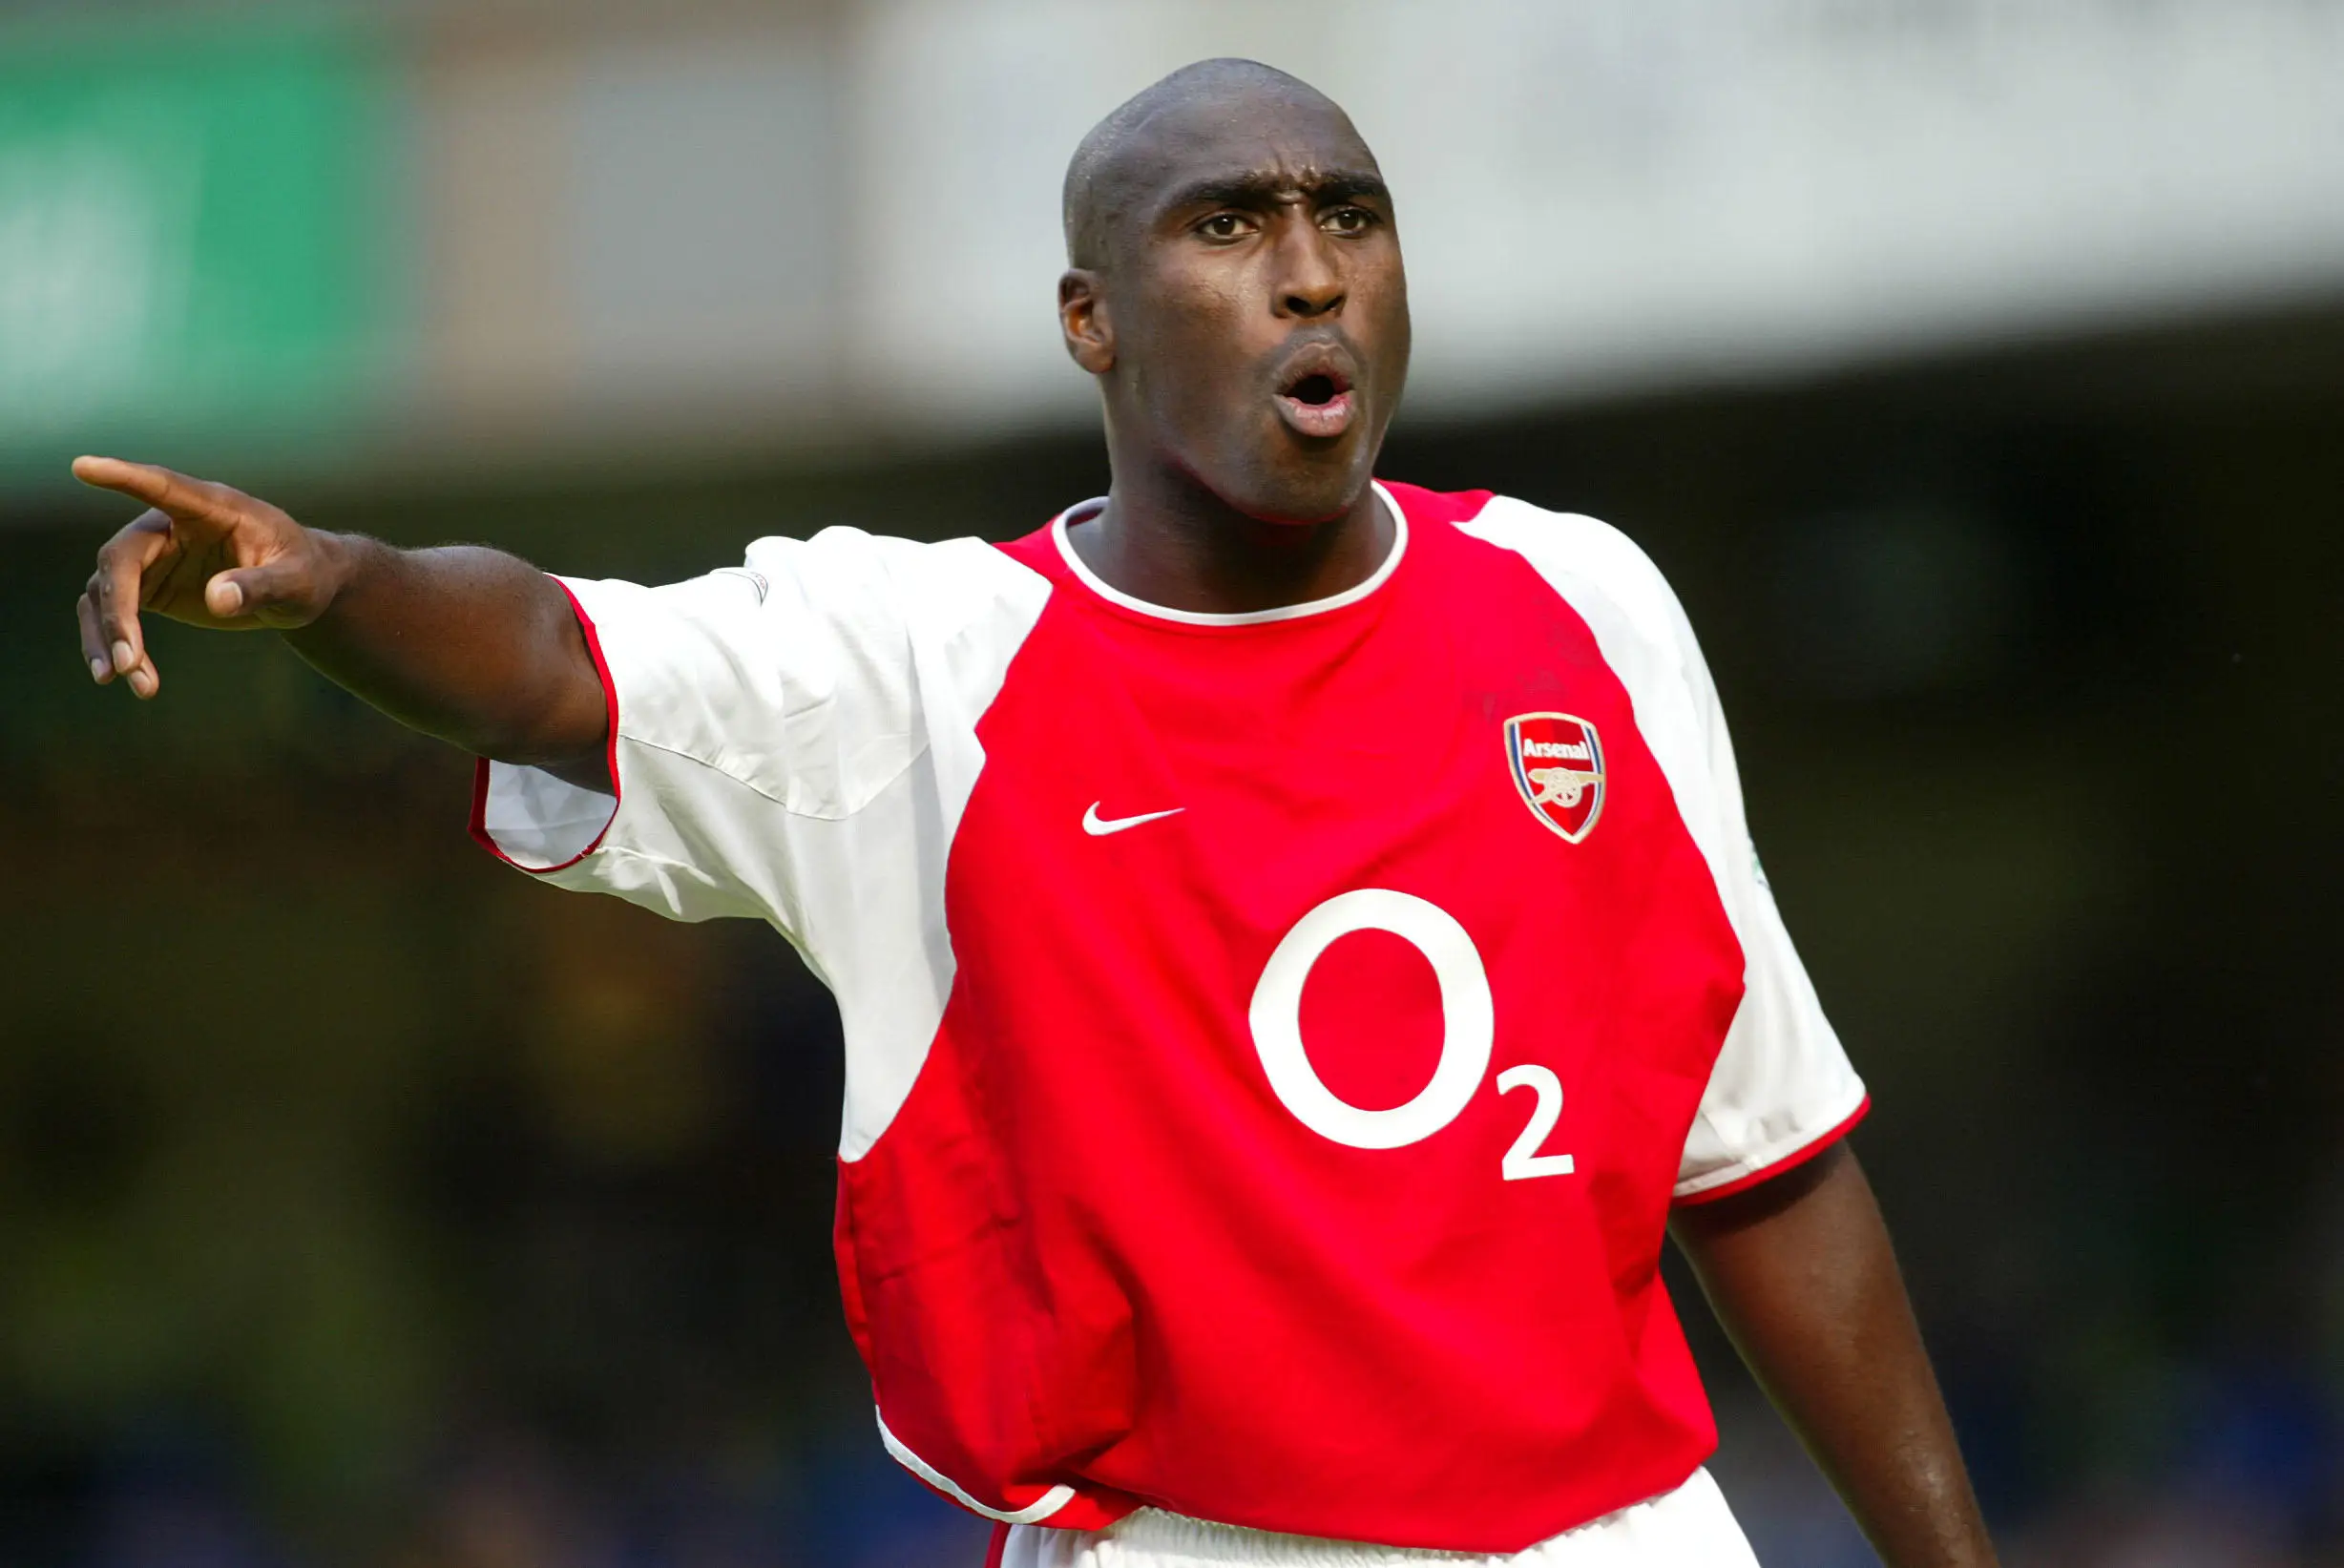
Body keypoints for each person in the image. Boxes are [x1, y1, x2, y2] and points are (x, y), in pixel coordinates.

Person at [71, 56, 1996, 1568]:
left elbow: (1764, 1165)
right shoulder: (920, 661)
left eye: (1348, 216)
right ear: (1089, 318)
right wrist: (343, 584)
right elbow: (562, 656)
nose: (1309, 267)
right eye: (1225, 224)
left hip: (1628, 1522)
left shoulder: (1585, 598)